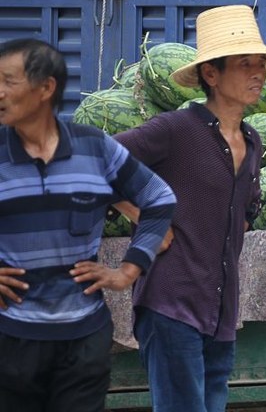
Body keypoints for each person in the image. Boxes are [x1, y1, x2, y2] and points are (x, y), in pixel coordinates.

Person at [113, 6, 266, 412]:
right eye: (243, 64)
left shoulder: (251, 140)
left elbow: (244, 216)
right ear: (211, 75)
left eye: (260, 64)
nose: (258, 73)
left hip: (220, 314)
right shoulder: (175, 130)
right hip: (171, 305)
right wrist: (143, 218)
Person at [0, 39, 175, 412]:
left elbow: (158, 199)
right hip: (10, 340)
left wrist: (128, 270)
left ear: (46, 88)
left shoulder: (95, 149)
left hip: (83, 341)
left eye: (9, 81)